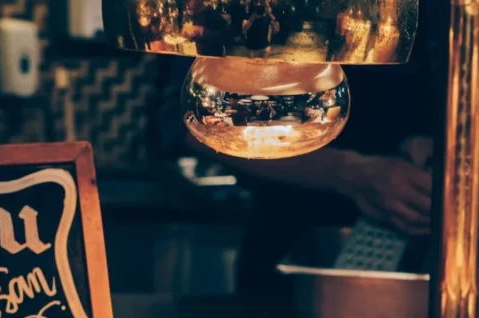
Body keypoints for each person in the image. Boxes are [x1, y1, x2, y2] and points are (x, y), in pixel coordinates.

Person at [159, 4, 434, 291]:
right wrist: (352, 173)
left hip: (428, 246)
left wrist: (432, 138)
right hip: (292, 236)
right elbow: (195, 120)